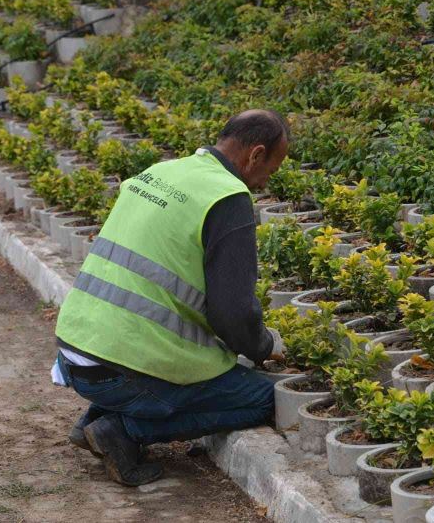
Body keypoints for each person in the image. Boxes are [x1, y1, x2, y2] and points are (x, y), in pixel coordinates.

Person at [51, 109, 289, 486]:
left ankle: (94, 421)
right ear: (255, 155)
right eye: (270, 170)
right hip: (120, 370)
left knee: (167, 367)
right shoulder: (228, 197)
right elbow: (234, 313)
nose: (264, 182)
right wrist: (264, 345)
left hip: (77, 352)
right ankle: (123, 430)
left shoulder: (161, 171)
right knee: (262, 398)